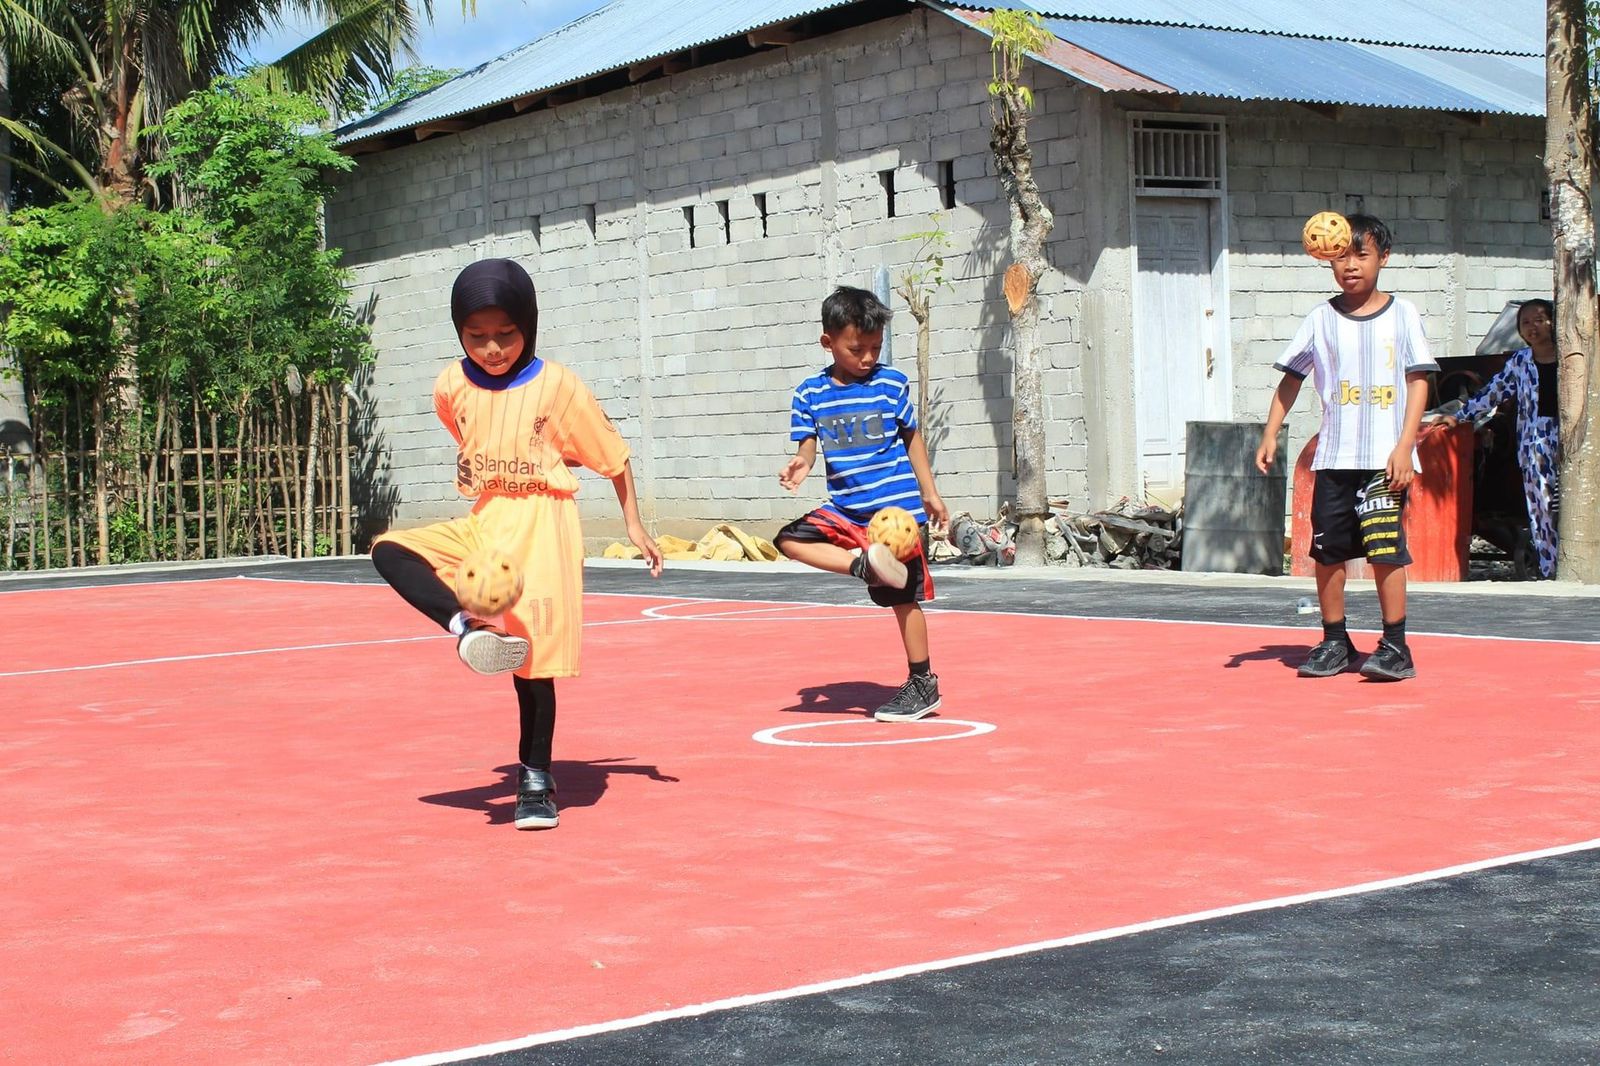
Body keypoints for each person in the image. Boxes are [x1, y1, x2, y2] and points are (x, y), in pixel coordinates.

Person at [370, 258, 662, 830]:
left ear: (528, 323)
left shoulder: (558, 385)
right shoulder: (450, 384)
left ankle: (535, 781)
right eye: (476, 337)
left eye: (506, 333)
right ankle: (468, 628)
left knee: (532, 662)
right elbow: (469, 434)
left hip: (543, 522)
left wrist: (634, 525)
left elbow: (613, 456)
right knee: (389, 549)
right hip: (487, 518)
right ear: (459, 332)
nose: (493, 348)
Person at [1255, 215, 1438, 681]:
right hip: (1334, 458)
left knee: (1384, 549)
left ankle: (1395, 646)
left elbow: (1418, 382)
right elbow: (1291, 378)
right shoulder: (1320, 319)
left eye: (1362, 255)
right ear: (1327, 259)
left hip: (1384, 459)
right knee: (1328, 551)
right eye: (1341, 257)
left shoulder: (1403, 314)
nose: (1351, 266)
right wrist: (1271, 431)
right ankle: (1335, 641)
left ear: (1383, 259)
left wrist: (1405, 446)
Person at [775, 286, 950, 720]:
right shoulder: (809, 393)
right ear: (828, 342)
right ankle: (862, 565)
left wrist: (930, 492)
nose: (868, 358)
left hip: (897, 514)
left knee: (903, 600)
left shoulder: (890, 384)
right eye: (857, 349)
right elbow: (808, 446)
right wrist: (801, 461)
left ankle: (923, 684)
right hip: (847, 510)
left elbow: (912, 438)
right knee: (788, 540)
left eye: (875, 347)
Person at [1439, 299, 1559, 579]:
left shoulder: (1574, 358)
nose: (1533, 327)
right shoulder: (1520, 362)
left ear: (1554, 321)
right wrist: (1459, 416)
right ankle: (1549, 569)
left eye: (1539, 320)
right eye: (1526, 322)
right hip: (1535, 445)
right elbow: (1492, 393)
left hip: (1572, 443)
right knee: (1541, 506)